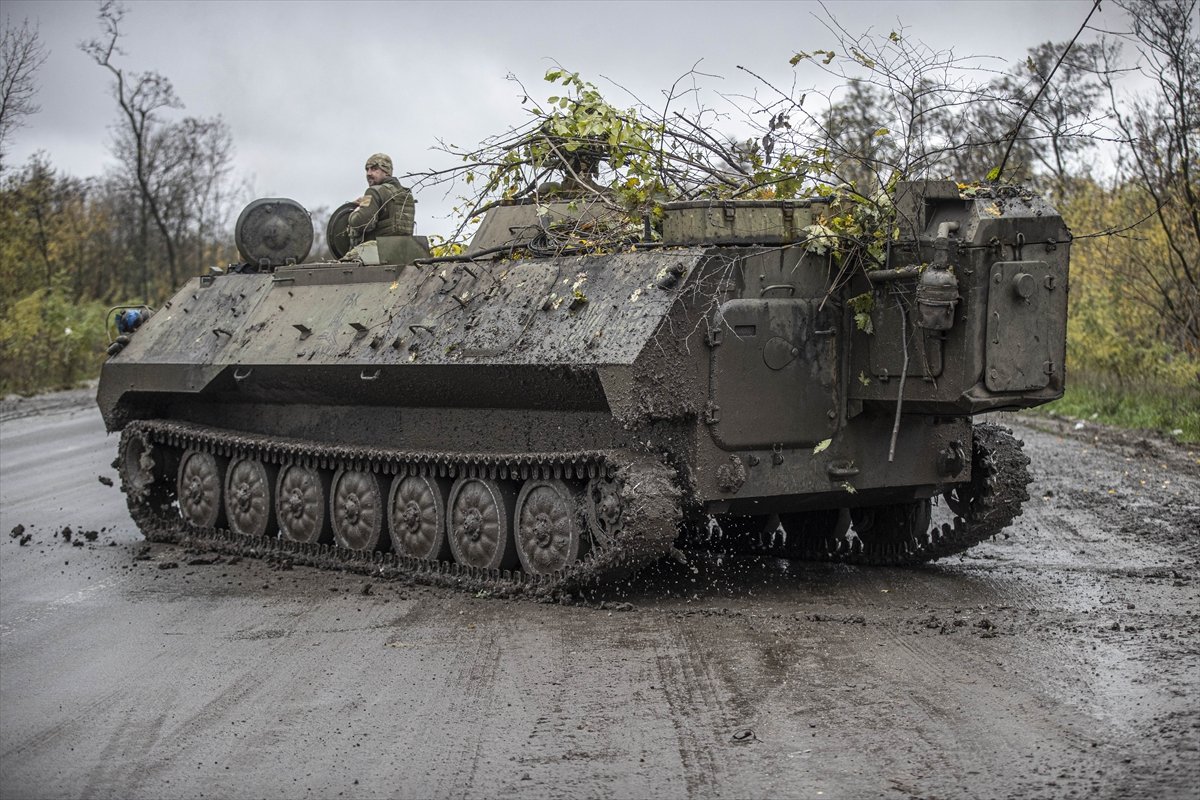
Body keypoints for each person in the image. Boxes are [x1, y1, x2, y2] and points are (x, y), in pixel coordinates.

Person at [347, 153, 416, 245]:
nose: (368, 173)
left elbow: (361, 223)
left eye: (374, 169)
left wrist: (354, 212)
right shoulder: (406, 194)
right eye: (367, 169)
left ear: (386, 171)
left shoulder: (373, 191)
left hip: (378, 251)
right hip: (404, 250)